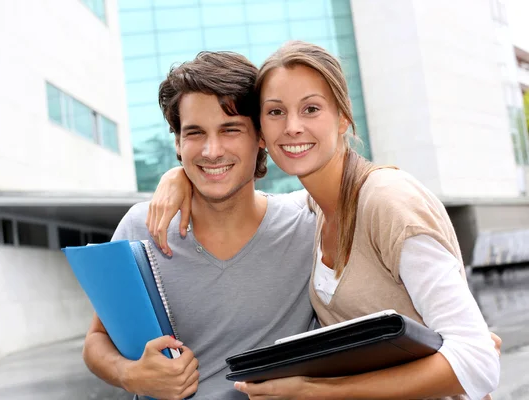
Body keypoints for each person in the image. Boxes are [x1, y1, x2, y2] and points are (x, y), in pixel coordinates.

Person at [147, 41, 500, 400]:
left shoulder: (389, 200)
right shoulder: (315, 209)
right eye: (276, 112)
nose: (293, 127)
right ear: (262, 134)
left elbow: (479, 360)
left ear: (343, 117)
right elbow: (234, 195)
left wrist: (320, 392)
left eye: (311, 109)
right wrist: (180, 178)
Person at [81, 51, 318, 400]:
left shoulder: (307, 225)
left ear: (261, 137)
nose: (211, 150)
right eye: (194, 133)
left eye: (230, 129)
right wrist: (130, 374)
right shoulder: (140, 226)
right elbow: (97, 340)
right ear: (178, 144)